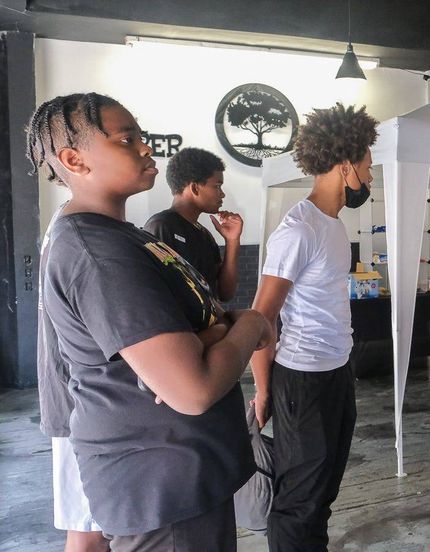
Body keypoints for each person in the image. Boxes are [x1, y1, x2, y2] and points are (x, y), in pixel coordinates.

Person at [26, 92, 273, 550]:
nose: (146, 148)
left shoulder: (127, 238)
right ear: (73, 159)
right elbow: (192, 387)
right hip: (161, 489)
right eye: (127, 139)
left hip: (187, 476)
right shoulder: (97, 254)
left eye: (141, 135)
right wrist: (253, 324)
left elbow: (208, 318)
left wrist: (215, 331)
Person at [249, 103, 377, 551]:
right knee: (299, 500)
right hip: (302, 381)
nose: (371, 176)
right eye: (368, 165)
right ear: (345, 166)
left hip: (336, 371)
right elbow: (260, 318)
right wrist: (265, 392)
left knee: (322, 494)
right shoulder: (298, 231)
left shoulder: (334, 226)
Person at [37, 202, 108, 552]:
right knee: (87, 531)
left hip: (77, 403)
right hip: (78, 407)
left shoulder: (67, 227)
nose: (143, 151)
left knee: (92, 528)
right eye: (126, 142)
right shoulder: (78, 234)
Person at [143, 147, 242, 301]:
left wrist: (232, 241)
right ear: (195, 188)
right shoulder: (162, 226)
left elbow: (225, 294)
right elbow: (157, 294)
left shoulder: (204, 234)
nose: (222, 194)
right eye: (217, 186)